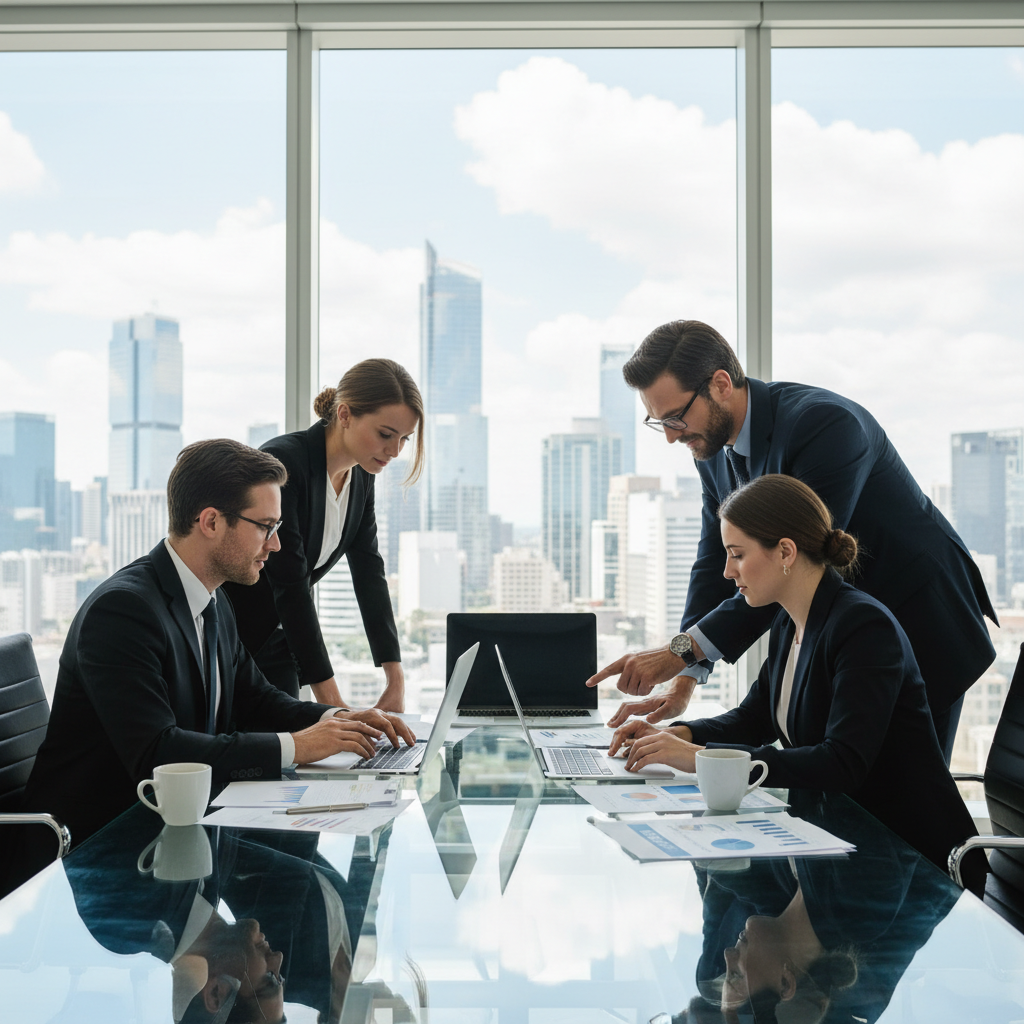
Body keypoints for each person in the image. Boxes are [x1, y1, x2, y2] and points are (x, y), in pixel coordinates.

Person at [589, 320, 997, 762]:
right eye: (658, 422)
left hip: (921, 621)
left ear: (720, 384)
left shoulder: (823, 425)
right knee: (836, 778)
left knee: (899, 797)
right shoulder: (712, 450)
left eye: (675, 417)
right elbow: (715, 561)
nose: (670, 435)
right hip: (841, 634)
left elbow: (793, 565)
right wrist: (685, 673)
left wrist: (678, 651)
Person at [24, 438, 415, 847]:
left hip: (176, 830)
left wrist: (337, 718)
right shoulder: (123, 611)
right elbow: (159, 752)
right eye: (266, 527)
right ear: (210, 522)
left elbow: (258, 700)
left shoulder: (215, 600)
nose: (276, 544)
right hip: (95, 847)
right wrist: (297, 746)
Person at [608, 474, 981, 876]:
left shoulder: (863, 628)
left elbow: (842, 763)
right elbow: (756, 719)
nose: (728, 572)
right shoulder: (791, 623)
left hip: (910, 860)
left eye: (737, 554)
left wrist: (701, 760)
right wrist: (681, 735)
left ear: (785, 551)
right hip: (839, 844)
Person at [223, 358, 423, 708]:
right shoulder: (284, 464)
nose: (395, 451)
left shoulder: (361, 477)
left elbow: (369, 572)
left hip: (280, 639)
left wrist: (396, 677)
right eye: (385, 434)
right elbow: (291, 585)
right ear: (344, 415)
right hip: (230, 636)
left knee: (296, 754)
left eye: (405, 439)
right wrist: (335, 707)